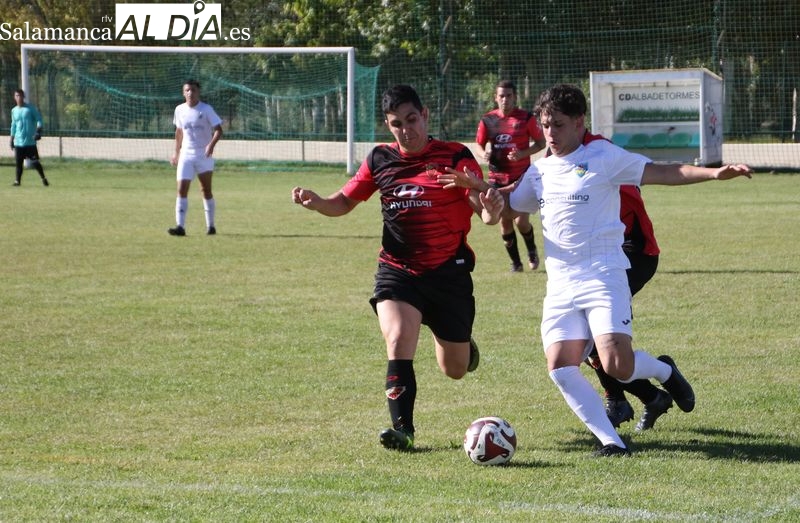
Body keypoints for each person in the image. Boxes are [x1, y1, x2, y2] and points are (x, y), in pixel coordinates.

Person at [485, 83, 752, 456]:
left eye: (558, 125)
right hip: (560, 285)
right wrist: (490, 205)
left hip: (603, 275)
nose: (550, 134)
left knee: (617, 365)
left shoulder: (603, 156)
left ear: (579, 122)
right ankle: (612, 442)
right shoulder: (540, 171)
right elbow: (509, 207)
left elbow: (663, 171)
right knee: (560, 367)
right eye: (545, 125)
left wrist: (714, 173)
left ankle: (664, 371)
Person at [291, 84, 504, 451]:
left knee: (454, 369)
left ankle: (458, 343)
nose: (406, 130)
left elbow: (482, 210)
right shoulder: (380, 159)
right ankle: (403, 429)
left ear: (425, 116)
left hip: (448, 273)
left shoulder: (454, 155)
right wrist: (318, 202)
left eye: (411, 119)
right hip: (398, 270)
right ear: (388, 126)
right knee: (398, 339)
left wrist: (491, 210)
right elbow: (343, 202)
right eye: (397, 124)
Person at [476, 80, 546, 272]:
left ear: (515, 97)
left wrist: (522, 154)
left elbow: (541, 143)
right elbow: (479, 145)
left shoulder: (526, 118)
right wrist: (484, 154)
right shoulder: (488, 120)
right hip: (497, 180)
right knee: (504, 222)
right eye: (501, 96)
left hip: (520, 179)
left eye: (509, 95)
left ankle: (531, 250)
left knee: (521, 221)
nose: (505, 99)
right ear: (495, 98)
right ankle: (516, 263)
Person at [168, 79, 223, 236]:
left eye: (193, 90)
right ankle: (180, 227)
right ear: (183, 93)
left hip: (203, 155)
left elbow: (219, 130)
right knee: (181, 189)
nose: (190, 93)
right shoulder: (179, 110)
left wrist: (210, 145)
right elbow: (179, 132)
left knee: (205, 190)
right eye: (187, 90)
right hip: (186, 154)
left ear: (198, 92)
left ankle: (211, 226)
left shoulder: (206, 109)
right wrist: (176, 152)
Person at [10, 89, 48, 187]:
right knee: (19, 163)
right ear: (14, 97)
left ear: (24, 97)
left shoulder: (30, 109)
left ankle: (43, 178)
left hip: (30, 142)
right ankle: (17, 181)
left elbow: (39, 119)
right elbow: (13, 125)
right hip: (18, 142)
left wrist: (38, 131)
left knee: (35, 162)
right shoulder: (14, 110)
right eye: (17, 96)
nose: (19, 98)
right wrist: (11, 139)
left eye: (20, 95)